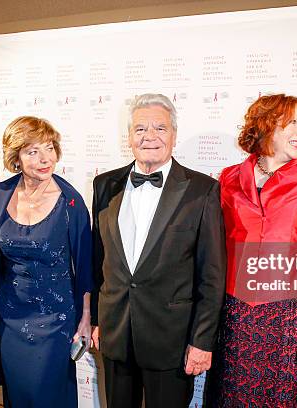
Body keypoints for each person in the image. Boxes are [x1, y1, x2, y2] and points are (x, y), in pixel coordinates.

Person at [210, 93, 297, 407]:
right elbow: (215, 252)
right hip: (236, 318)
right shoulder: (229, 178)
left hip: (294, 320)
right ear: (265, 125)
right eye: (292, 122)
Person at [90, 93, 226, 408]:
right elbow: (100, 261)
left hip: (172, 340)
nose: (149, 136)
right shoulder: (105, 185)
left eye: (160, 128)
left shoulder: (201, 190)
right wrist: (97, 319)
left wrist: (202, 340)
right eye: (140, 129)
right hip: (116, 332)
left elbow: (212, 275)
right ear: (128, 137)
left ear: (174, 135)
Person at [0, 116, 92, 407]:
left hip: (55, 317)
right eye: (33, 151)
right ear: (16, 157)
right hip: (10, 314)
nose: (45, 159)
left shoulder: (71, 201)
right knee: (18, 394)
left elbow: (84, 265)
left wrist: (85, 317)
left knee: (49, 394)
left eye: (49, 148)